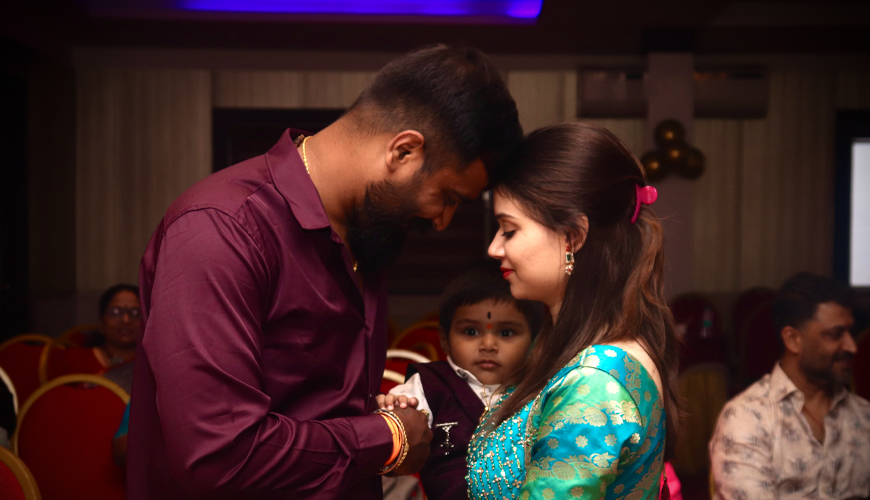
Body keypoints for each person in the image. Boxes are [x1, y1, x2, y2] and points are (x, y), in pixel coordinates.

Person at [128, 45, 522, 499]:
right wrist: (387, 436)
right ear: (404, 151)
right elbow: (218, 454)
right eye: (448, 197)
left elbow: (313, 405)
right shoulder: (221, 228)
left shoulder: (367, 231)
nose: (442, 221)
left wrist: (375, 414)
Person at [467, 122, 683, 500]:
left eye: (509, 230)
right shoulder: (570, 347)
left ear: (572, 236)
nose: (494, 248)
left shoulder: (595, 381)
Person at [379, 261, 545, 500]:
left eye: (506, 332)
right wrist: (394, 419)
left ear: (534, 341)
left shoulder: (541, 389)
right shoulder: (426, 387)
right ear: (445, 340)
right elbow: (393, 455)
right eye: (471, 332)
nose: (488, 345)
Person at [709, 272, 870, 500]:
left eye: (850, 333)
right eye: (835, 335)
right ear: (793, 339)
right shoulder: (748, 419)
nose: (852, 347)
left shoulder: (863, 416)